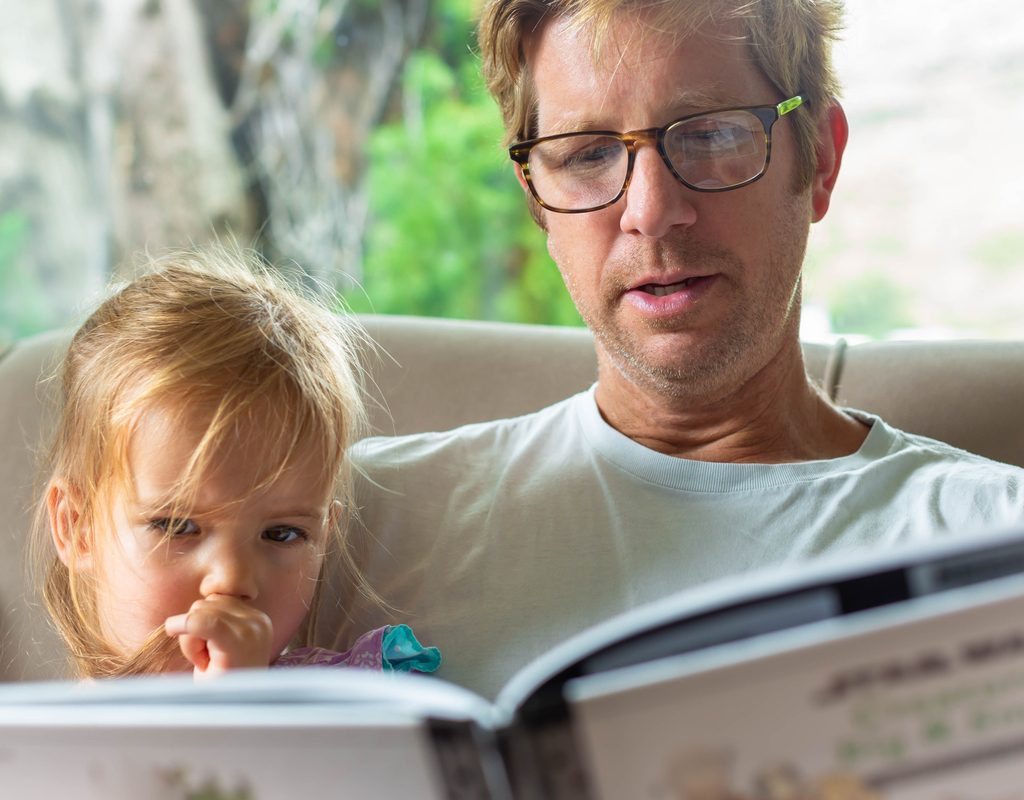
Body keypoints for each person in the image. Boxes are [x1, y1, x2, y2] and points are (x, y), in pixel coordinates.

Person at [338, 0, 1024, 700]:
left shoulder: (998, 542)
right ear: (536, 200)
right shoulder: (331, 526)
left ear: (818, 158)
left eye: (709, 135)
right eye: (588, 154)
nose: (651, 210)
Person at [35, 249, 440, 679]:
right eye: (177, 526)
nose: (231, 580)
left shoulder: (345, 702)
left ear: (324, 538)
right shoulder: (35, 731)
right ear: (77, 527)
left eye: (282, 533)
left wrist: (241, 706)